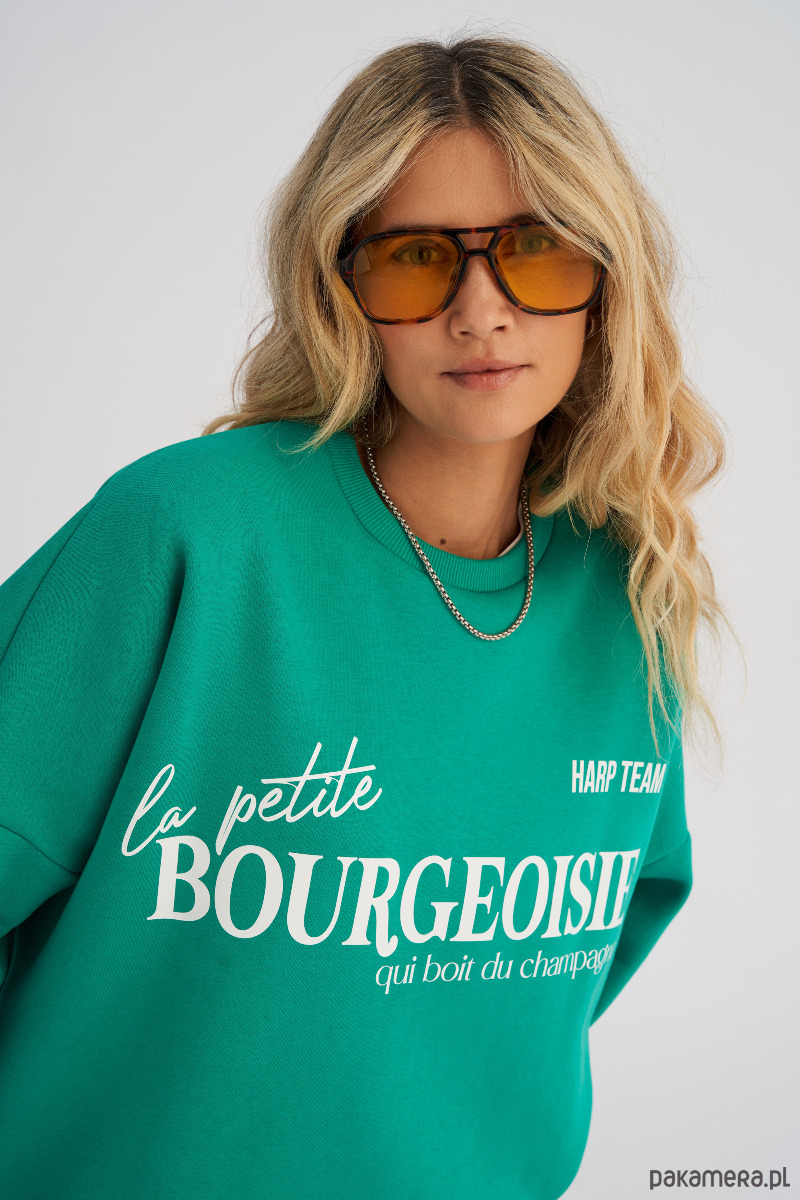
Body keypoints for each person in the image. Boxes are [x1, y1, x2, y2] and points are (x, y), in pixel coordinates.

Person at [0, 33, 732, 1200]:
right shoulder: (190, 533)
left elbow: (571, 964)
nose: (481, 311)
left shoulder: (625, 590)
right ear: (338, 285)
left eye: (535, 248)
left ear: (607, 276)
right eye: (415, 258)